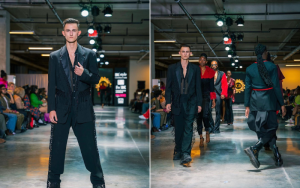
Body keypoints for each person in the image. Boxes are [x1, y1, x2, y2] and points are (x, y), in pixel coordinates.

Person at [47, 18, 105, 188]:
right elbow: (51, 85)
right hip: (61, 106)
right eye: (68, 30)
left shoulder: (90, 54)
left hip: (83, 107)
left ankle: (98, 182)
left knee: (90, 148)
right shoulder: (55, 57)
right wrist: (51, 108)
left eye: (74, 30)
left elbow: (95, 78)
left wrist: (84, 73)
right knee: (56, 148)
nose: (71, 33)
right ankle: (53, 182)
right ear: (63, 32)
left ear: (79, 33)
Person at [244, 43, 286, 169]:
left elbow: (247, 88)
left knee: (262, 129)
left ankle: (274, 154)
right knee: (271, 128)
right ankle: (256, 148)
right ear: (265, 53)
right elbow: (276, 87)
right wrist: (282, 104)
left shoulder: (250, 68)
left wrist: (247, 105)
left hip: (255, 102)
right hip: (269, 101)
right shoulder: (272, 66)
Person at [165, 44, 202, 166]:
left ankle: (186, 153)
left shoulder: (195, 69)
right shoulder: (172, 68)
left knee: (188, 127)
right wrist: (168, 102)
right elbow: (168, 87)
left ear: (190, 54)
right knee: (179, 128)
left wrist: (199, 103)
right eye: (183, 51)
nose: (185, 53)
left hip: (191, 101)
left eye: (187, 52)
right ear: (179, 53)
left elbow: (198, 87)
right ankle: (179, 149)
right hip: (177, 101)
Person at [197, 53, 216, 147]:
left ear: (206, 61)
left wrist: (213, 99)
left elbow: (212, 87)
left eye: (204, 59)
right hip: (197, 96)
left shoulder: (210, 71)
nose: (202, 61)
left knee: (205, 114)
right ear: (198, 61)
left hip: (206, 96)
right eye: (200, 59)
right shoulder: (195, 70)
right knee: (198, 117)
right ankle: (201, 137)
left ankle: (207, 131)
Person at [209, 60, 228, 133]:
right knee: (208, 110)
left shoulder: (221, 73)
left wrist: (223, 93)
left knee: (218, 111)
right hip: (210, 93)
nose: (214, 66)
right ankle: (211, 126)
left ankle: (216, 128)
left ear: (217, 65)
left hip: (218, 93)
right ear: (211, 66)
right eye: (212, 65)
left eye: (215, 65)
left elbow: (224, 84)